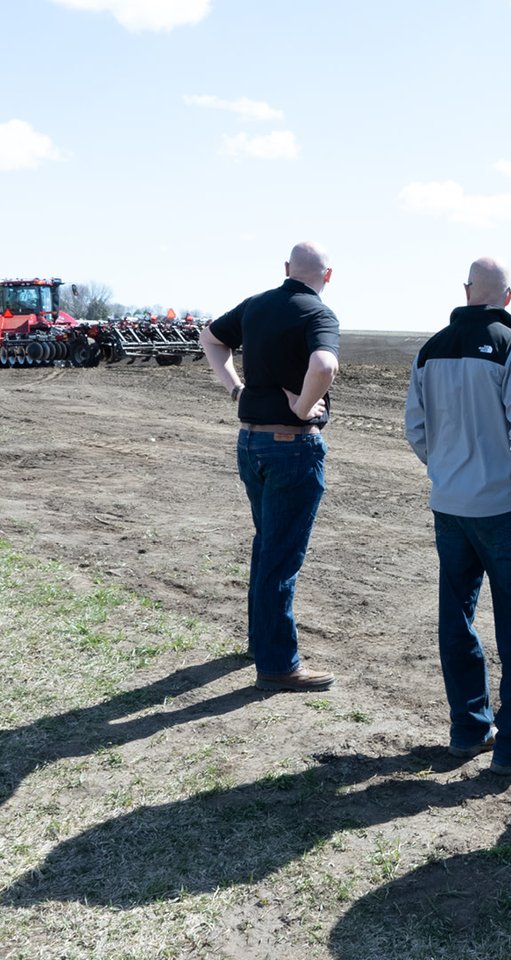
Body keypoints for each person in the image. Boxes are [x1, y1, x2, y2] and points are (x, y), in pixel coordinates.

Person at [404, 257, 511, 776]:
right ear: (508, 297)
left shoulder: (430, 350)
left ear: (467, 291)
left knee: (456, 617)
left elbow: (416, 429)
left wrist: (449, 472)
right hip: (504, 508)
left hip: (450, 508)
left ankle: (470, 729)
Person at [200, 241, 340, 692]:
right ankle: (278, 665)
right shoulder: (318, 314)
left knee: (268, 545)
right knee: (281, 554)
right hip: (291, 447)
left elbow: (211, 337)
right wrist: (303, 406)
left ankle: (262, 643)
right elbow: (324, 362)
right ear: (328, 275)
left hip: (251, 444)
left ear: (286, 269)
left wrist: (235, 388)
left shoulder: (256, 306)